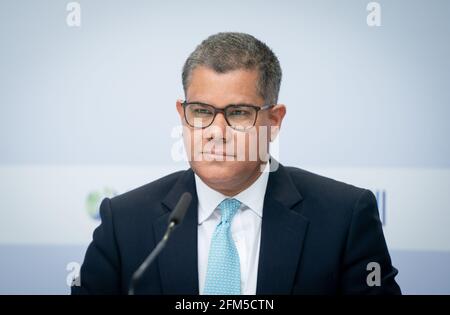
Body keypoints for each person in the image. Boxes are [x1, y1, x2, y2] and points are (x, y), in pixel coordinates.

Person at [72, 32, 401, 295]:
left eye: (238, 113)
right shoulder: (124, 222)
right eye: (201, 111)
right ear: (182, 115)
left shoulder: (344, 217)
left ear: (274, 120)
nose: (217, 132)